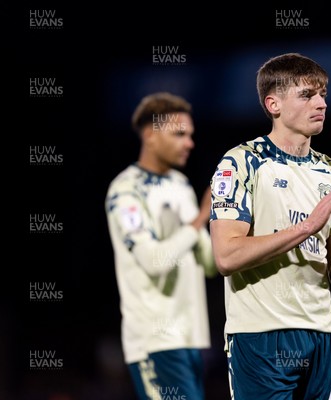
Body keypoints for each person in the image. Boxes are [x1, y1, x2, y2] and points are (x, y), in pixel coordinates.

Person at [209, 52, 331, 399]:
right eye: (306, 95)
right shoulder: (242, 162)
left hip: (321, 333)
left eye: (323, 95)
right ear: (273, 104)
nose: (321, 104)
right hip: (260, 335)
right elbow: (226, 256)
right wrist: (305, 228)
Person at [105, 92, 217, 400]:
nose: (189, 143)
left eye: (191, 135)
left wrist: (231, 223)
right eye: (180, 134)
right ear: (152, 135)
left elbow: (208, 262)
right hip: (156, 340)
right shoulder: (125, 191)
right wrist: (200, 218)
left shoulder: (180, 185)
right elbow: (155, 261)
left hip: (192, 338)